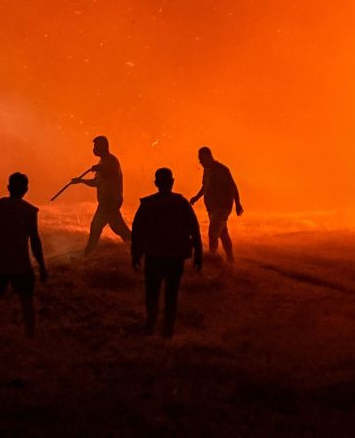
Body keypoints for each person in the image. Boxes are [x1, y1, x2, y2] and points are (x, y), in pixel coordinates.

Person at [131, 167, 202, 338]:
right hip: (175, 257)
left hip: (154, 256)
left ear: (156, 183)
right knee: (171, 294)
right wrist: (198, 253)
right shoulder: (181, 203)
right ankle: (168, 330)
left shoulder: (148, 204)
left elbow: (137, 231)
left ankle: (150, 325)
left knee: (152, 293)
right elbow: (195, 229)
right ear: (172, 182)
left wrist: (135, 253)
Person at [0, 172, 47, 337]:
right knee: (27, 303)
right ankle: (30, 338)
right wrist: (42, 266)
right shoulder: (29, 211)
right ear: (26, 190)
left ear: (8, 187)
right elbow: (35, 241)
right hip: (20, 265)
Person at [75, 135, 131, 255]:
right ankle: (137, 248)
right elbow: (96, 182)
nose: (94, 148)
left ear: (103, 147)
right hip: (106, 203)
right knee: (118, 229)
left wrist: (100, 168)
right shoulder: (102, 162)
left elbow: (111, 171)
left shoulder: (112, 161)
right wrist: (81, 181)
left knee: (97, 228)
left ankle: (87, 254)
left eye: (96, 146)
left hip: (110, 203)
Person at [189, 146, 243, 262]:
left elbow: (233, 186)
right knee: (223, 233)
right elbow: (205, 187)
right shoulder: (207, 170)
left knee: (213, 232)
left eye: (201, 159)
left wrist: (238, 203)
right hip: (212, 208)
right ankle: (230, 259)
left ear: (208, 156)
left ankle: (212, 258)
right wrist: (196, 197)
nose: (200, 162)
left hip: (222, 207)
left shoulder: (221, 170)